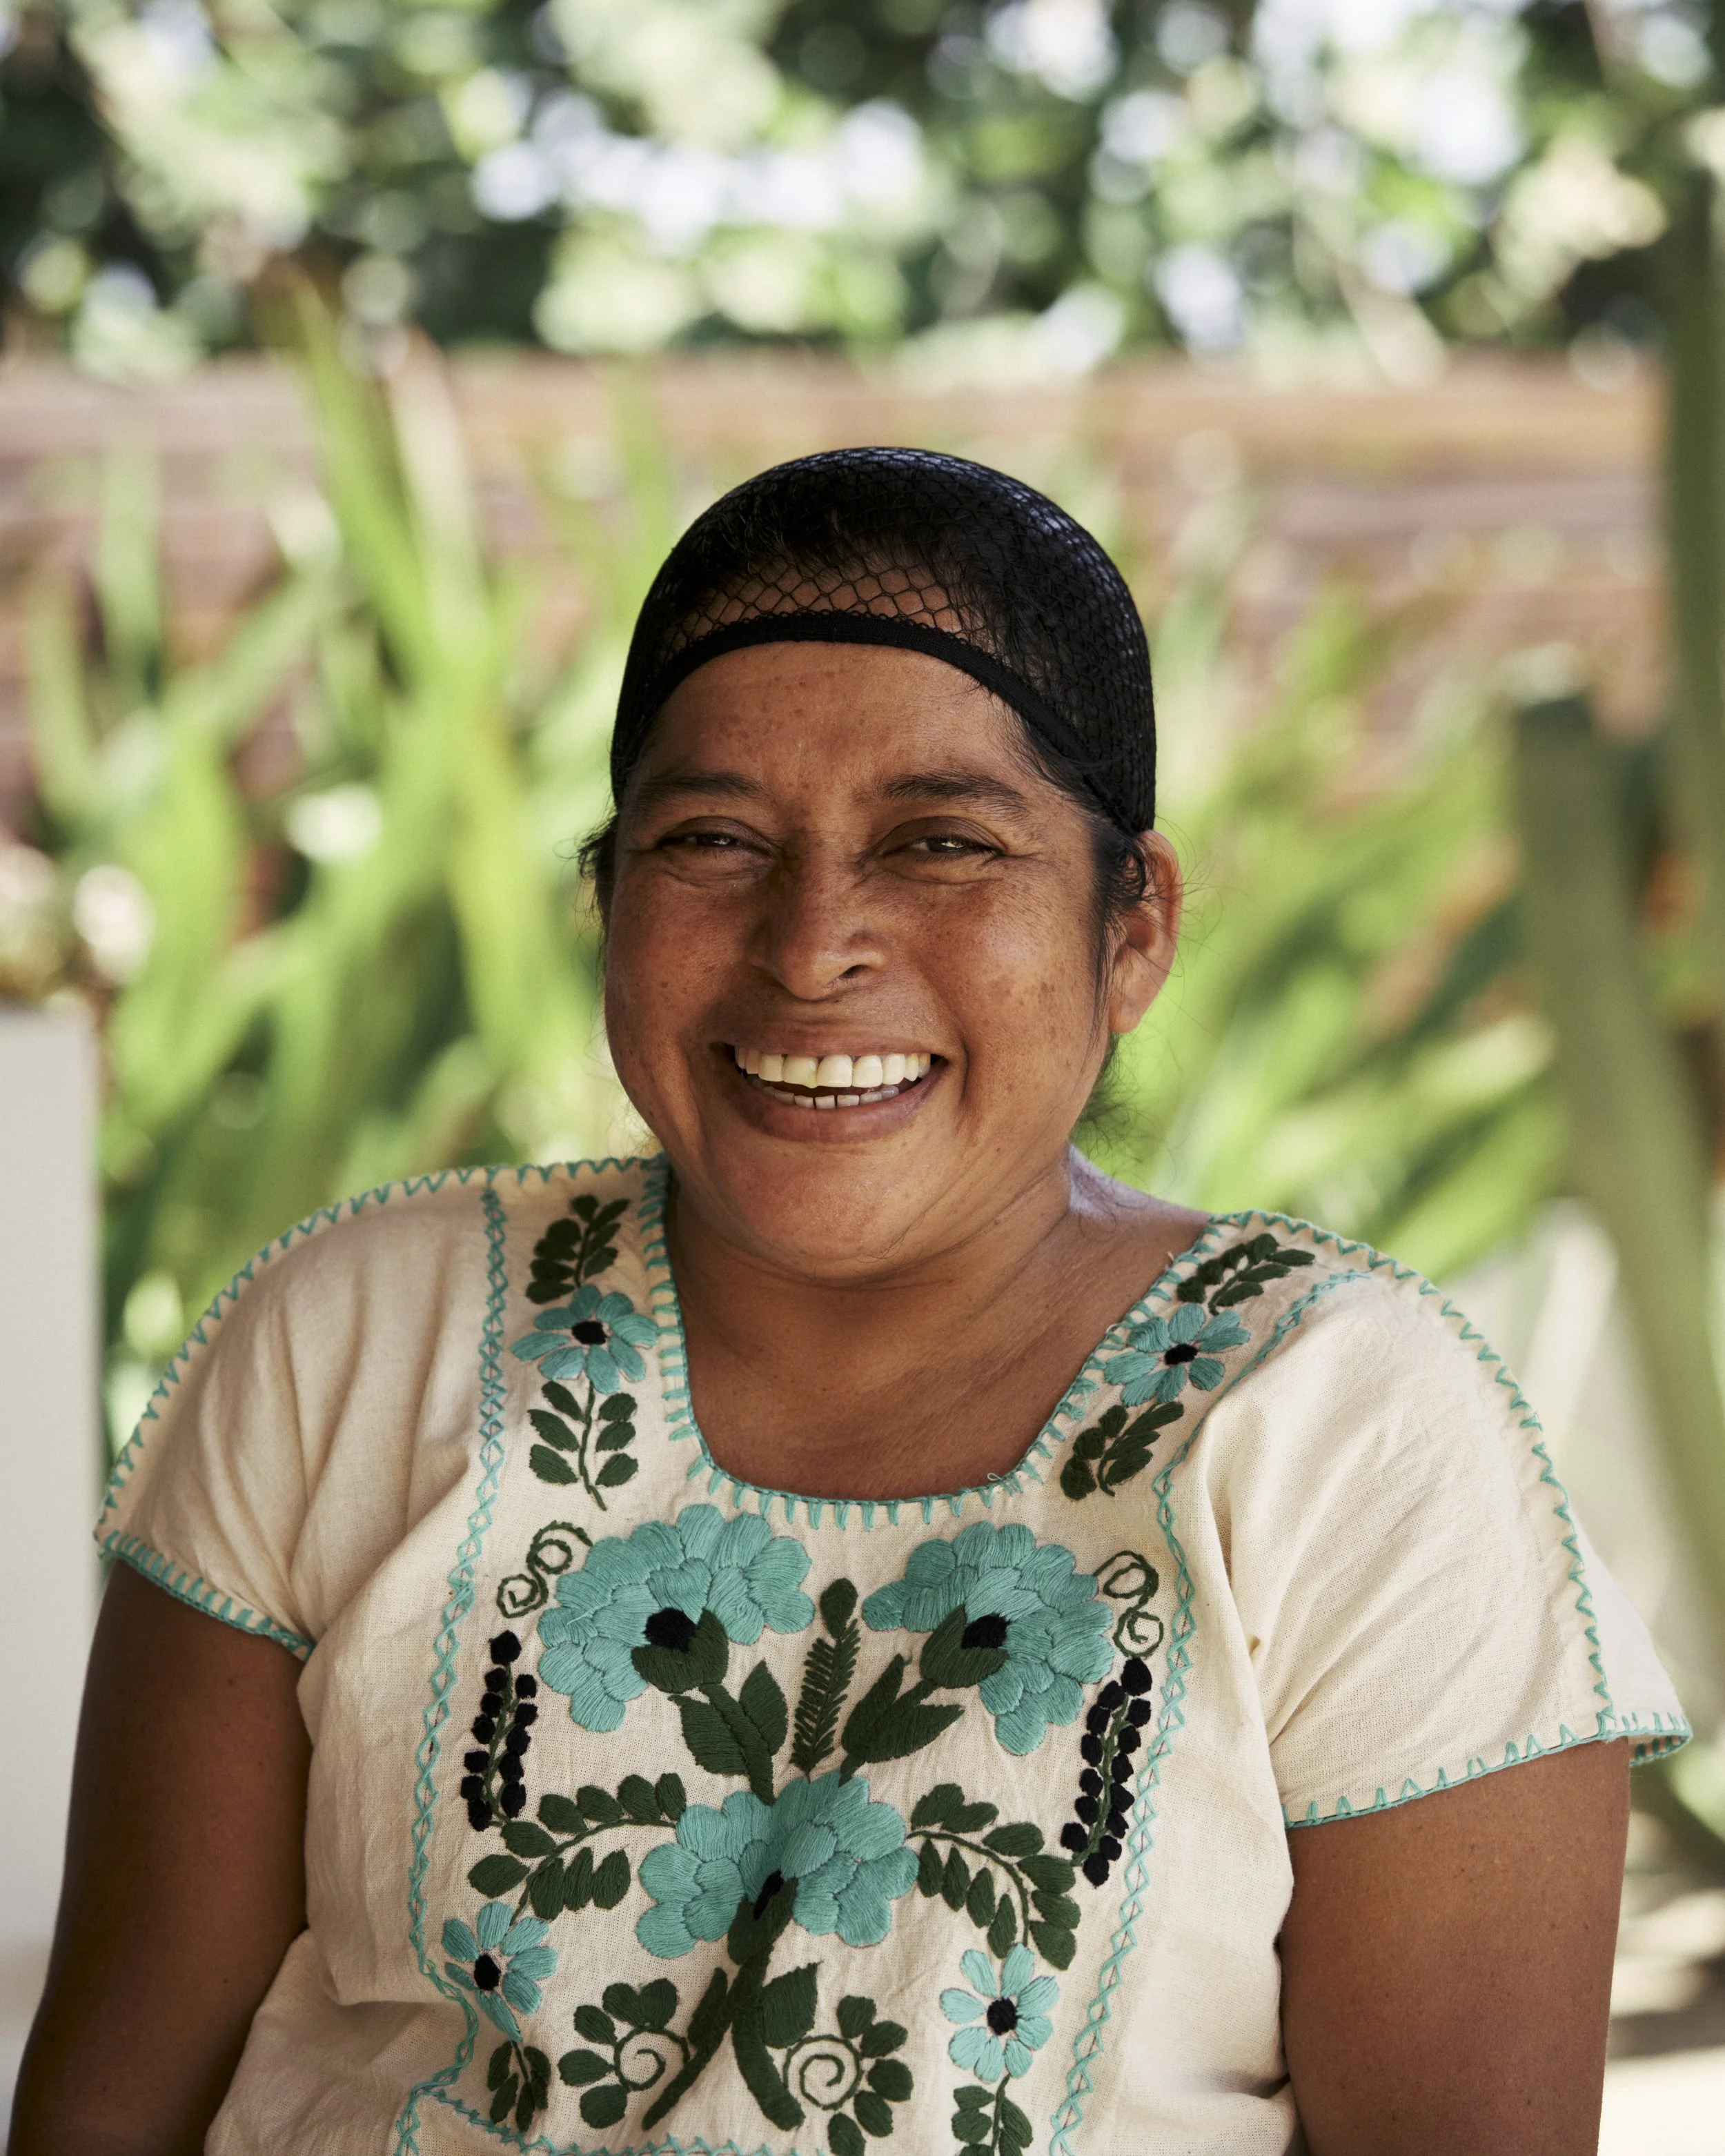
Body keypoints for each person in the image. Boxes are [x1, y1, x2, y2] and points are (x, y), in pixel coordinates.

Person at [13, 449, 1685, 2156]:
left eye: (941, 840)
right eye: (712, 838)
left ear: (1131, 926)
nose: (813, 942)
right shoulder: (356, 1343)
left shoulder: (1339, 1420)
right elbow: (107, 2109)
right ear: (608, 906)